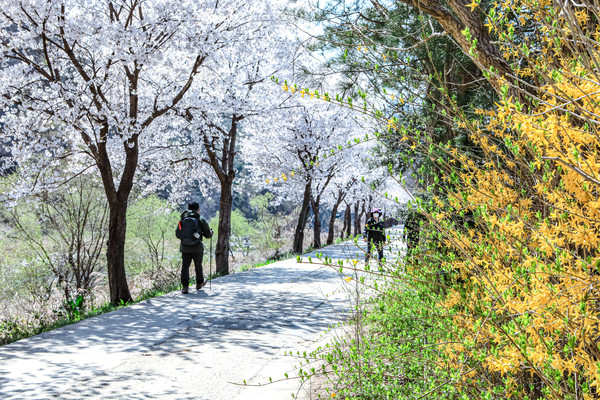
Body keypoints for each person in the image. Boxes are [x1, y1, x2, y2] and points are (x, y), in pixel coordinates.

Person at [175, 202, 213, 294]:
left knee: (185, 267)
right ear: (197, 209)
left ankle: (185, 287)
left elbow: (177, 233)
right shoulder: (200, 219)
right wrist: (210, 233)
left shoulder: (182, 219)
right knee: (198, 265)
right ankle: (199, 283)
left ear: (188, 208)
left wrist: (185, 239)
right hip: (197, 248)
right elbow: (207, 234)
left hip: (185, 248)